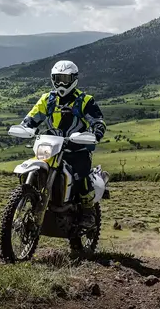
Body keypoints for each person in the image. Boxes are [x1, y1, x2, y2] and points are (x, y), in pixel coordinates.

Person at [20, 60, 106, 228]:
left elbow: (98, 121)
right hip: (51, 147)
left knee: (81, 175)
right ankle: (31, 198)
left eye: (65, 79)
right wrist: (25, 126)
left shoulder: (85, 101)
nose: (61, 83)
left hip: (77, 148)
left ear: (73, 79)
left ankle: (88, 212)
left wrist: (96, 132)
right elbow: (33, 116)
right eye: (58, 78)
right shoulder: (47, 100)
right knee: (36, 166)